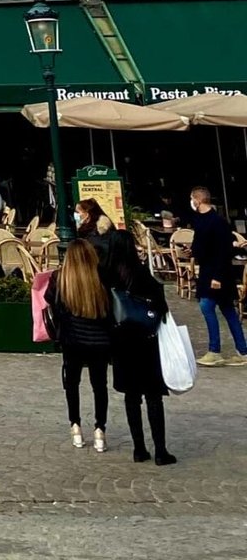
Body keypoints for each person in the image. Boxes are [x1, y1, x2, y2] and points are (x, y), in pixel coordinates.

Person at [102, 230, 174, 465]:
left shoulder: (105, 273)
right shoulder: (140, 273)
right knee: (153, 396)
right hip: (145, 339)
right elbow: (161, 305)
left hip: (121, 341)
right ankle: (161, 450)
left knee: (131, 397)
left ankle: (139, 448)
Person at [47, 237, 113, 452]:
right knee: (99, 385)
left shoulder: (60, 278)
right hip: (99, 340)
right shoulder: (101, 278)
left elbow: (51, 302)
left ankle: (75, 426)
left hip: (72, 339)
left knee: (72, 383)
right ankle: (100, 429)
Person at [187, 186, 247, 366]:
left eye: (192, 199)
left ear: (197, 200)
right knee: (228, 310)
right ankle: (243, 350)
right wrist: (193, 250)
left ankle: (215, 350)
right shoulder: (201, 220)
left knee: (207, 306)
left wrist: (217, 277)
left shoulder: (217, 221)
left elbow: (223, 250)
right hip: (209, 270)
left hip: (216, 273)